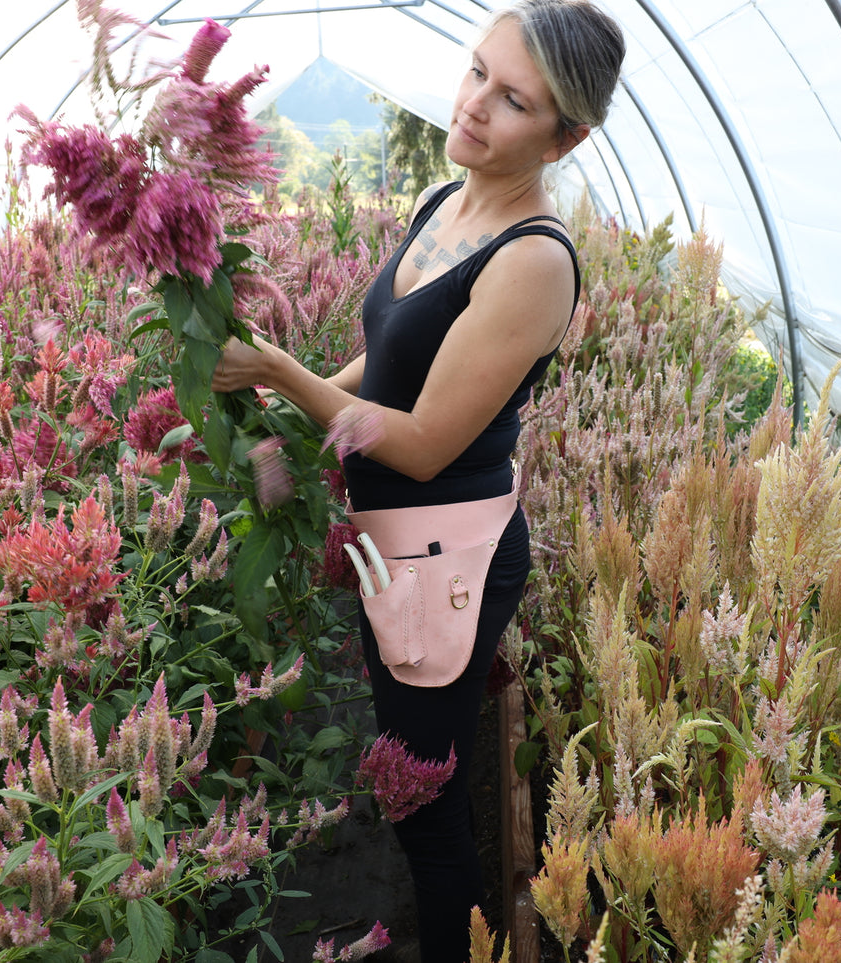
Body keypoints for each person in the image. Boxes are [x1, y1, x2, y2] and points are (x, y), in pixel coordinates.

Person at [213, 2, 624, 957]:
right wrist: (297, 426)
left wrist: (279, 370)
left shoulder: (531, 260)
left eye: (513, 99)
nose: (475, 104)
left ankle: (460, 944)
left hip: (446, 555)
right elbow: (384, 365)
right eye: (478, 70)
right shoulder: (448, 200)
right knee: (408, 763)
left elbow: (424, 441)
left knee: (423, 797)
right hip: (391, 543)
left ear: (568, 136)